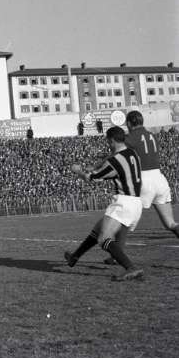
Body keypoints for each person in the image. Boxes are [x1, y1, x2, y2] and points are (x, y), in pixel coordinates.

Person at [64, 126, 144, 281]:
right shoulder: (133, 153)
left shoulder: (114, 161)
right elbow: (112, 164)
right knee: (98, 229)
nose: (108, 144)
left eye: (108, 141)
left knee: (103, 238)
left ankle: (130, 267)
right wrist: (96, 167)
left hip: (124, 202)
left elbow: (91, 178)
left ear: (112, 140)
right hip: (135, 202)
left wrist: (78, 170)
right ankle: (74, 257)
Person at [125, 111, 179, 237]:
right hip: (159, 179)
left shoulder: (130, 137)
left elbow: (120, 154)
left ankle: (113, 249)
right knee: (171, 223)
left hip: (143, 179)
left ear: (129, 123)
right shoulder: (152, 135)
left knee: (123, 222)